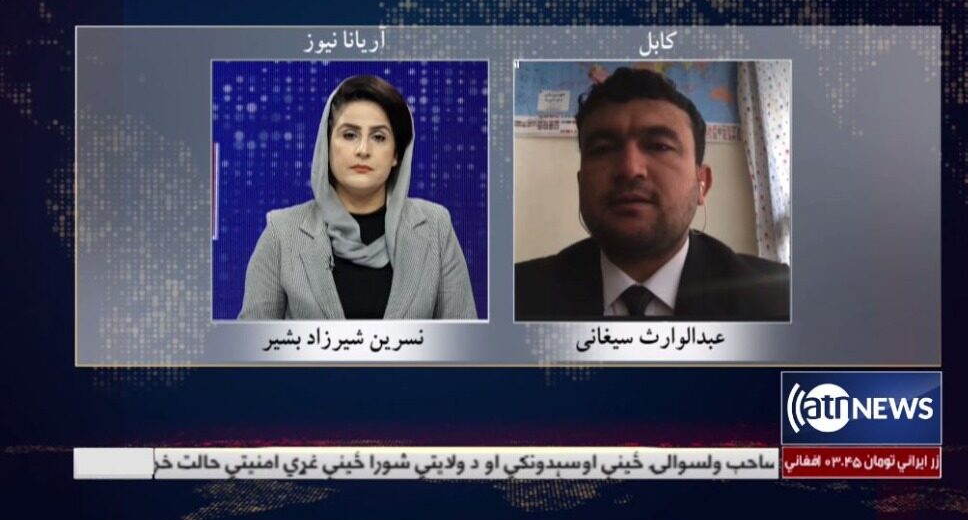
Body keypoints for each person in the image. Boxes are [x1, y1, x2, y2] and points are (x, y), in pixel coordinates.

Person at [515, 67, 789, 321]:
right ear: (581, 182)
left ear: (702, 183)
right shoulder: (516, 296)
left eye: (659, 146)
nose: (630, 168)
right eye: (602, 149)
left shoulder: (779, 299)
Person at [239, 75, 477, 320]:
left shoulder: (436, 227)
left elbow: (463, 339)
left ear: (396, 154)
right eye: (350, 135)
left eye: (379, 137)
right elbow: (252, 341)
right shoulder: (282, 234)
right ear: (327, 144)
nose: (363, 150)